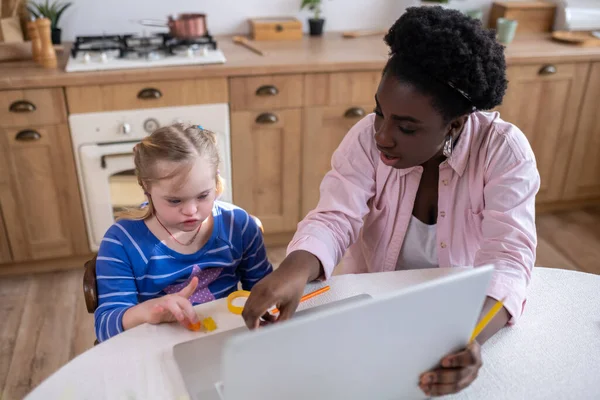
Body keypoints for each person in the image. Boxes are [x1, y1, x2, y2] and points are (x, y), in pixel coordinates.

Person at [242, 6, 540, 397]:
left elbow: (509, 257)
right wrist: (293, 269)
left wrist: (470, 337)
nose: (382, 135)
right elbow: (335, 217)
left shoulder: (503, 151)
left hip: (459, 311)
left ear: (455, 124)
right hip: (370, 305)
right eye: (380, 112)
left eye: (406, 126)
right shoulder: (366, 137)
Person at [94, 123, 272, 342]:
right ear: (146, 187)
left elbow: (264, 291)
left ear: (215, 182)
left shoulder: (238, 225)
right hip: (157, 348)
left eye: (203, 195)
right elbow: (105, 329)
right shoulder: (121, 242)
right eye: (175, 200)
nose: (191, 211)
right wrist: (148, 311)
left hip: (229, 341)